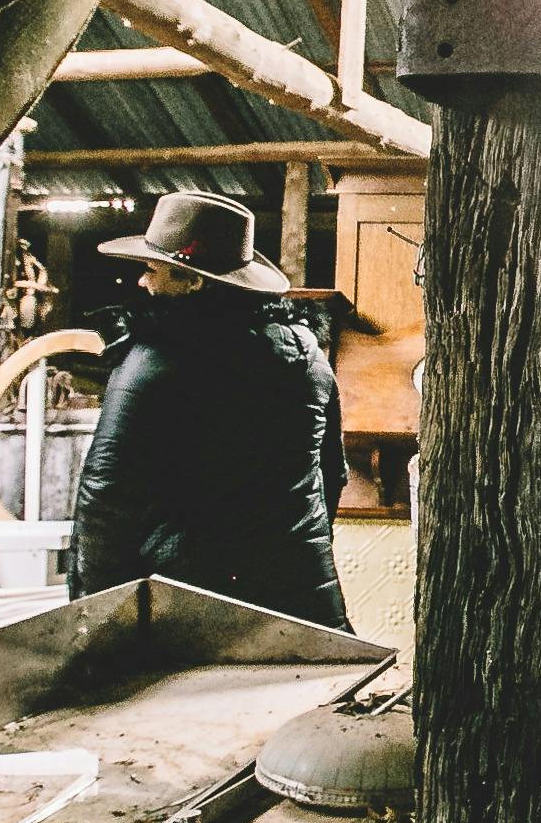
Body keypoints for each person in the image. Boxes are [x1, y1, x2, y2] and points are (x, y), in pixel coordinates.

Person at [68, 190, 351, 627]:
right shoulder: (309, 357)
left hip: (191, 606)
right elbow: (333, 473)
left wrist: (96, 619)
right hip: (301, 599)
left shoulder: (154, 360)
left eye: (152, 269)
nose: (143, 282)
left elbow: (105, 500)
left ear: (193, 280)